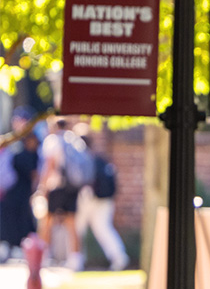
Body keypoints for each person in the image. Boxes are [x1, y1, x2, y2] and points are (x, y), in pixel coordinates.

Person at [75, 128, 129, 271]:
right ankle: (119, 258)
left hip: (89, 198)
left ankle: (76, 259)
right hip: (104, 199)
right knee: (103, 229)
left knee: (78, 228)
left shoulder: (84, 158)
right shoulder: (99, 158)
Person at [37, 116, 84, 269]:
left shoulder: (52, 141)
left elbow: (49, 166)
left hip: (56, 187)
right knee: (72, 223)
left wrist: (42, 188)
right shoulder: (75, 140)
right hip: (73, 187)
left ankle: (43, 257)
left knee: (48, 221)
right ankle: (76, 260)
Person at [0, 108, 40, 260]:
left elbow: (33, 168)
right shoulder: (11, 140)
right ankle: (8, 246)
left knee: (23, 218)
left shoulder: (31, 139)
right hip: (9, 190)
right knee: (7, 217)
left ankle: (19, 247)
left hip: (24, 189)